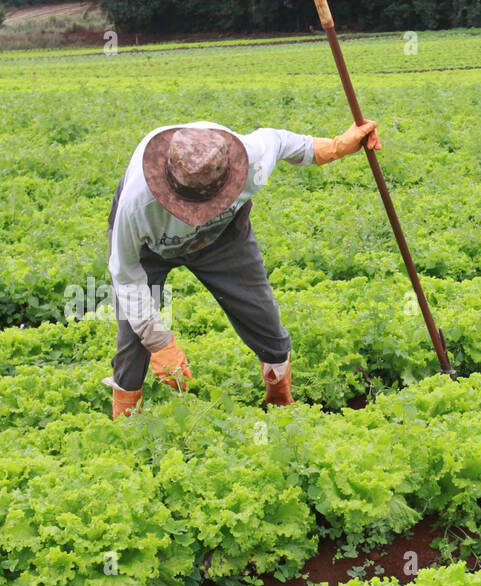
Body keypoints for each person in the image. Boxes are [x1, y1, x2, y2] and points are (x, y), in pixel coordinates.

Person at [104, 119, 380, 419]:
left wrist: (339, 146)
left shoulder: (250, 157)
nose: (194, 216)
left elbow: (285, 142)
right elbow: (125, 273)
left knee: (264, 322)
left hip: (223, 238)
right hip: (153, 250)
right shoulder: (137, 203)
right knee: (133, 340)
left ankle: (280, 405)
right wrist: (159, 342)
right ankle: (126, 423)